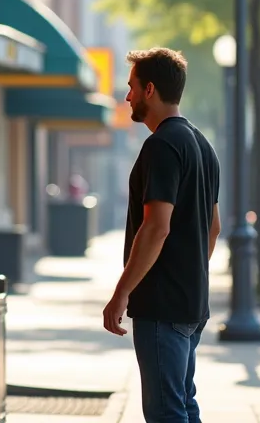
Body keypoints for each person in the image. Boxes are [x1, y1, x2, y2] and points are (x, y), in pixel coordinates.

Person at [102, 48, 222, 423]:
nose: (127, 97)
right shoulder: (203, 146)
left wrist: (121, 293)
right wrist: (189, 273)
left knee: (166, 412)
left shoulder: (162, 145)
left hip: (161, 306)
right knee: (183, 404)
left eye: (132, 87)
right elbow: (213, 227)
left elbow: (156, 227)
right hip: (191, 304)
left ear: (150, 90)